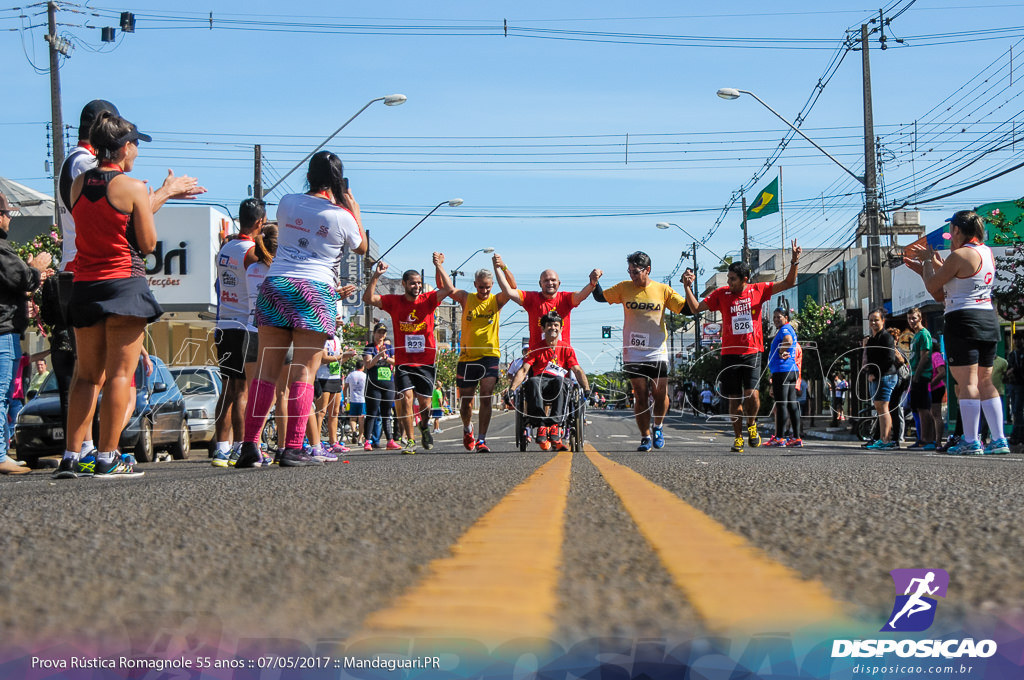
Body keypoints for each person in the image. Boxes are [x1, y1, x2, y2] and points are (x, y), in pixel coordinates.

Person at [63, 113, 201, 477]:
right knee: (120, 374)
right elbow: (148, 243)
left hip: (85, 285)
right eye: (136, 144)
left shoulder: (78, 184)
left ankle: (70, 456)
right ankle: (108, 456)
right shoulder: (134, 187)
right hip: (124, 282)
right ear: (124, 147)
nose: (137, 151)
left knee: (86, 376)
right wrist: (160, 195)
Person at [237, 151, 365, 468]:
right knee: (303, 374)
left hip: (275, 284)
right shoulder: (342, 216)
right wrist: (354, 208)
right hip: (314, 289)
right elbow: (360, 246)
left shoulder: (287, 202)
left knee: (265, 373)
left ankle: (250, 447)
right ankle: (293, 447)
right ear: (338, 181)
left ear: (308, 176)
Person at [904, 210, 1009, 455]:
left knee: (967, 383)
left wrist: (929, 261)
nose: (950, 235)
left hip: (963, 320)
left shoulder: (959, 254)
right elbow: (952, 282)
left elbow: (934, 286)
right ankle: (999, 439)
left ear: (958, 230)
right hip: (987, 318)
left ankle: (971, 440)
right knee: (986, 382)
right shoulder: (985, 252)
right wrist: (926, 266)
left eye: (951, 230)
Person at [682, 240, 802, 453]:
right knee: (733, 399)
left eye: (732, 279)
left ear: (744, 279)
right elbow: (695, 308)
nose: (729, 282)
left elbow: (788, 283)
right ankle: (738, 438)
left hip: (752, 352)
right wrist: (687, 287)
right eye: (728, 278)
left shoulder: (758, 290)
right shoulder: (721, 294)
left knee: (753, 395)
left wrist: (794, 261)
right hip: (729, 353)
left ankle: (752, 425)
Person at [591, 251, 688, 450]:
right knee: (641, 395)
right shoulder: (624, 288)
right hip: (633, 350)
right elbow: (601, 297)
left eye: (635, 272)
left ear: (647, 270)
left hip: (656, 350)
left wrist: (688, 286)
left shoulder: (663, 290)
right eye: (630, 272)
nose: (632, 276)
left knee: (659, 393)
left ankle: (658, 426)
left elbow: (686, 309)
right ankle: (645, 437)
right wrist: (594, 281)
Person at [363, 253, 453, 454]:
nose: (417, 286)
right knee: (405, 399)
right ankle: (410, 441)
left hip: (426, 361)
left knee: (425, 404)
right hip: (404, 361)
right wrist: (376, 275)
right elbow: (367, 298)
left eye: (419, 283)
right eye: (413, 283)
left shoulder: (428, 300)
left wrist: (438, 266)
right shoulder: (394, 302)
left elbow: (448, 289)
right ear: (404, 284)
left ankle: (424, 425)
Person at [211, 197, 265, 467]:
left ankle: (221, 447)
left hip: (223, 324)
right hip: (245, 324)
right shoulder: (252, 251)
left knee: (228, 389)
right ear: (260, 222)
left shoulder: (225, 248)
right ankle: (244, 447)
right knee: (242, 390)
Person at [0, 193, 52, 474]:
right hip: (3, 332)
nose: (9, 218)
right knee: (1, 393)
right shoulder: (1, 250)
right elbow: (23, 278)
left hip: (7, 330)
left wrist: (30, 273)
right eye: (7, 213)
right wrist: (35, 269)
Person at [450, 264, 516, 452]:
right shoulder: (466, 298)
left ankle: (481, 439)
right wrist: (439, 266)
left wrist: (502, 267)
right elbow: (448, 287)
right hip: (467, 358)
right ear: (475, 285)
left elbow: (512, 287)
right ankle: (467, 428)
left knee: (486, 394)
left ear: (492, 285)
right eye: (481, 287)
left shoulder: (496, 300)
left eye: (488, 287)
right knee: (466, 402)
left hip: (489, 356)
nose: (484, 290)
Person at [509, 311, 590, 451]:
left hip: (559, 382)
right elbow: (523, 370)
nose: (553, 328)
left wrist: (587, 389)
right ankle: (541, 425)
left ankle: (554, 426)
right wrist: (511, 390)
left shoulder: (566, 348)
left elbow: (577, 370)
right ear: (543, 328)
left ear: (561, 328)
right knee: (532, 382)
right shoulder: (535, 347)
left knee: (561, 381)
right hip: (540, 381)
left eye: (556, 325)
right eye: (549, 325)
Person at [492, 254, 599, 351]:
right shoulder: (531, 298)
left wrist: (593, 283)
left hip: (561, 357)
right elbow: (508, 291)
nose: (550, 283)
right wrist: (499, 268)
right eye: (546, 280)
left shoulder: (565, 298)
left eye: (553, 280)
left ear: (559, 283)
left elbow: (581, 296)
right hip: (537, 356)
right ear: (540, 283)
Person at [861, 309, 902, 451]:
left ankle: (886, 440)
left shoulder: (886, 337)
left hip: (887, 376)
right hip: (875, 377)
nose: (873, 322)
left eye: (876, 320)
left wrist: (876, 374)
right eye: (871, 320)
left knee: (884, 408)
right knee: (879, 408)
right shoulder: (872, 339)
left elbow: (889, 359)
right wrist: (869, 372)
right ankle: (881, 439)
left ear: (883, 321)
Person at [765, 308, 802, 447]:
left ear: (786, 317)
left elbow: (788, 340)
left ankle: (780, 437)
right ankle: (796, 438)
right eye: (774, 317)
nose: (776, 319)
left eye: (779, 317)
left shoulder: (785, 329)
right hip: (790, 371)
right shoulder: (787, 329)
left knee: (781, 404)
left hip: (783, 371)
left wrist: (781, 351)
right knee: (791, 404)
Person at [363, 323, 400, 451]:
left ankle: (390, 440)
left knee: (387, 413)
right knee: (372, 413)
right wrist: (378, 355)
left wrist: (386, 357)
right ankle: (368, 440)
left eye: (383, 333)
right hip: (374, 384)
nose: (381, 335)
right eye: (379, 332)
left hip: (388, 383)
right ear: (374, 333)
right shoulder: (369, 348)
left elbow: (396, 362)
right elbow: (368, 364)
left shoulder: (389, 347)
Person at [904, 308, 937, 450]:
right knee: (917, 408)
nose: (912, 321)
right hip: (913, 375)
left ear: (920, 318)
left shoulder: (924, 334)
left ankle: (927, 439)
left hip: (921, 376)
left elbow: (925, 356)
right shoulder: (915, 335)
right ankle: (921, 437)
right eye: (909, 318)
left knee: (924, 408)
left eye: (914, 318)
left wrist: (917, 375)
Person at [316, 322, 348, 455]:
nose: (335, 328)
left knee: (334, 412)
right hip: (323, 377)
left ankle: (333, 442)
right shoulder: (321, 337)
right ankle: (316, 442)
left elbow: (340, 360)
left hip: (335, 377)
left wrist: (346, 356)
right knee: (321, 412)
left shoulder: (337, 339)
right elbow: (323, 358)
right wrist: (341, 356)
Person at [343, 360, 367, 447]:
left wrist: (345, 398)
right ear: (363, 367)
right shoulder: (365, 376)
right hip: (362, 400)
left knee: (352, 418)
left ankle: (353, 431)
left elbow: (345, 388)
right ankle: (360, 438)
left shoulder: (350, 375)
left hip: (352, 399)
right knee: (361, 420)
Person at [1006, 333, 1024, 445]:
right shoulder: (1013, 354)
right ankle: (1017, 434)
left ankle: (1019, 434)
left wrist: (1013, 370)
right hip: (1014, 384)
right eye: (1015, 339)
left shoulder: (1021, 353)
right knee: (1016, 411)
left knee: (1018, 410)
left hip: (1021, 384)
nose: (1017, 342)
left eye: (1019, 339)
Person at [930, 341, 947, 448]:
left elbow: (942, 372)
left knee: (936, 414)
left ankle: (938, 441)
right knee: (931, 414)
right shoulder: (927, 356)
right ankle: (932, 439)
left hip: (936, 387)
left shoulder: (936, 355)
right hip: (930, 388)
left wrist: (932, 383)